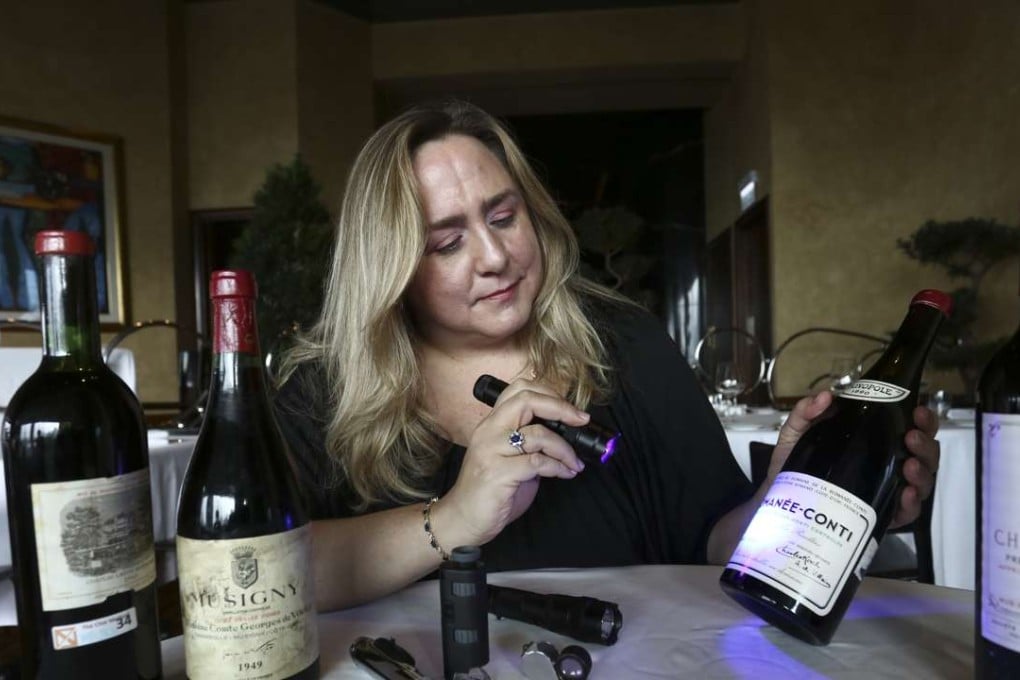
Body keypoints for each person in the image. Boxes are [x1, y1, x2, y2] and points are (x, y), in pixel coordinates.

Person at [273, 100, 940, 612]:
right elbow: (270, 574)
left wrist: (790, 499)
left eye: (503, 217)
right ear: (389, 267)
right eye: (447, 242)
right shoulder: (322, 389)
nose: (495, 256)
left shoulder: (626, 344)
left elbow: (713, 543)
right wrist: (453, 517)